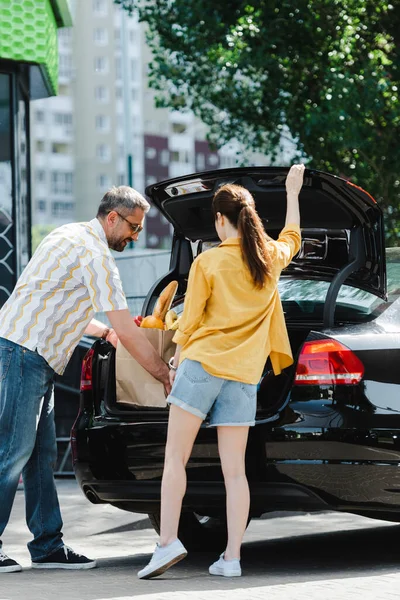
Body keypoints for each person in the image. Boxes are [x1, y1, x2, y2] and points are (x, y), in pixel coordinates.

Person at [138, 164, 305, 580]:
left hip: (203, 366)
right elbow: (292, 239)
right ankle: (231, 558)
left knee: (175, 458)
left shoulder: (208, 263)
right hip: (244, 376)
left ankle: (167, 544)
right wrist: (293, 192)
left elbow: (191, 321)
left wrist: (172, 349)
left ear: (218, 219)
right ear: (249, 217)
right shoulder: (269, 261)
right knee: (236, 472)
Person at [0, 186, 171, 573]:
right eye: (133, 227)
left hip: (30, 352)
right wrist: (163, 373)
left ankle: (47, 546)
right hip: (25, 352)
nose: (135, 236)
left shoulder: (67, 234)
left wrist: (101, 332)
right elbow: (127, 330)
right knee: (11, 453)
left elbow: (57, 302)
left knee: (39, 457)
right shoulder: (96, 254)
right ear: (112, 217)